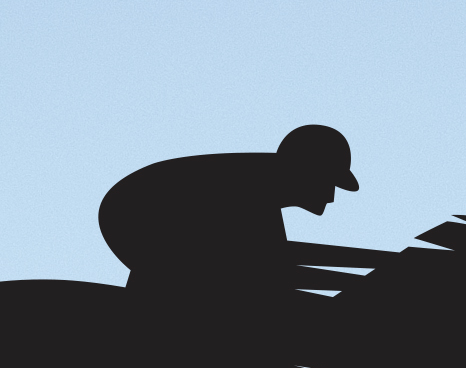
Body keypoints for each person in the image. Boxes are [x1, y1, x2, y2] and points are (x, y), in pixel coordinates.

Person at [99, 126, 360, 340]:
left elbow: (271, 263)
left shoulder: (256, 188)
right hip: (139, 234)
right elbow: (271, 270)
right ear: (305, 172)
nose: (330, 197)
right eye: (328, 183)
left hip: (151, 248)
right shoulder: (250, 189)